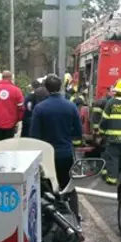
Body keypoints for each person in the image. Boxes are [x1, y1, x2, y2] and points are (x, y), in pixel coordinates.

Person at [30, 74, 82, 216]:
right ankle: (74, 217)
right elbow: (78, 131)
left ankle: (49, 217)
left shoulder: (40, 108)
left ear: (46, 88)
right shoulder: (71, 106)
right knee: (68, 188)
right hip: (65, 153)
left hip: (46, 157)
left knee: (45, 188)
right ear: (61, 87)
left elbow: (34, 135)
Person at [0, 70, 25, 144]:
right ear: (11, 78)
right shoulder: (17, 90)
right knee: (8, 147)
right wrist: (17, 120)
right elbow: (21, 109)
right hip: (11, 125)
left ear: (2, 77)